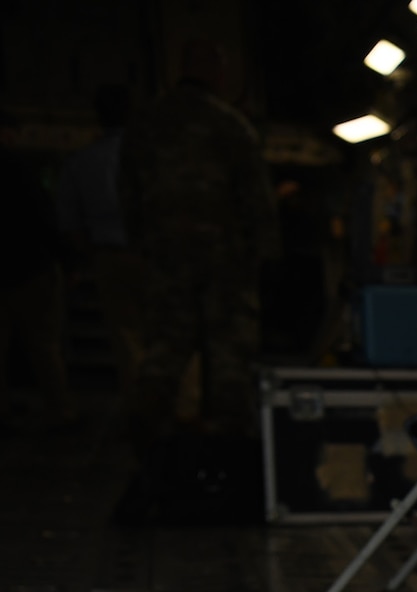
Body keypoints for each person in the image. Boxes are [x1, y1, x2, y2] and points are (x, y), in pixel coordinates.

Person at [118, 39, 278, 449]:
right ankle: (229, 435)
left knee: (166, 345)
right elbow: (256, 196)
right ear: (216, 72)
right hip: (224, 257)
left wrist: (140, 245)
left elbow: (127, 192)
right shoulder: (229, 125)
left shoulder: (146, 124)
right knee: (229, 347)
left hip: (164, 254)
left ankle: (148, 428)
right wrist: (265, 253)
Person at [57, 85, 149, 400]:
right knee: (172, 333)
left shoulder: (81, 162)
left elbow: (70, 222)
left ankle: (141, 408)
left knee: (126, 338)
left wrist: (93, 252)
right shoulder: (153, 155)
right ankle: (182, 409)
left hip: (111, 256)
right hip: (157, 253)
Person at [0, 112, 79, 432]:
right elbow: (44, 217)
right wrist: (66, 260)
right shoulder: (20, 169)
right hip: (32, 268)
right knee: (45, 345)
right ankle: (59, 410)